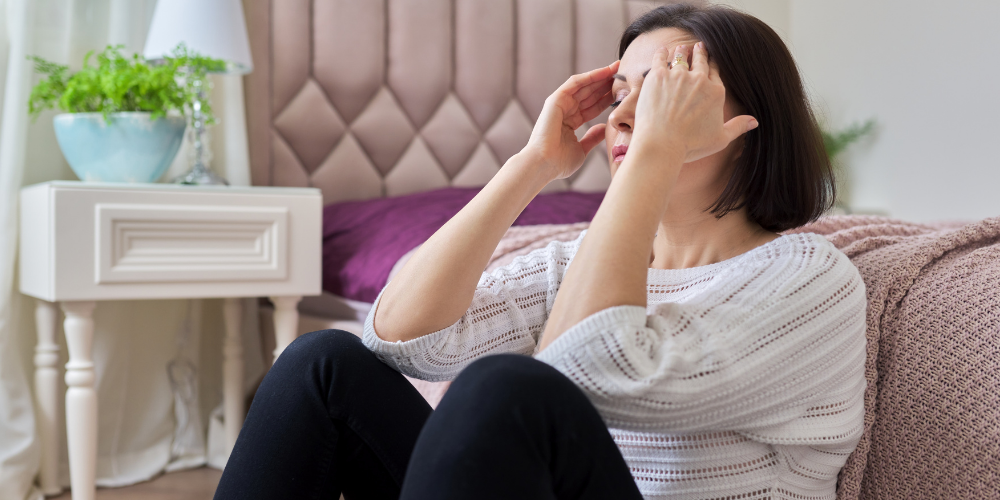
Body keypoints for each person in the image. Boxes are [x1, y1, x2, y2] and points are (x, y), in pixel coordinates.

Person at [215, 4, 867, 500]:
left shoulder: (810, 278)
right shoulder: (584, 261)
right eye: (620, 94)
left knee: (507, 388)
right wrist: (531, 166)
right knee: (321, 363)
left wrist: (654, 154)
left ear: (750, 122)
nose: (624, 114)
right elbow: (398, 339)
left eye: (664, 90)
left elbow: (584, 369)